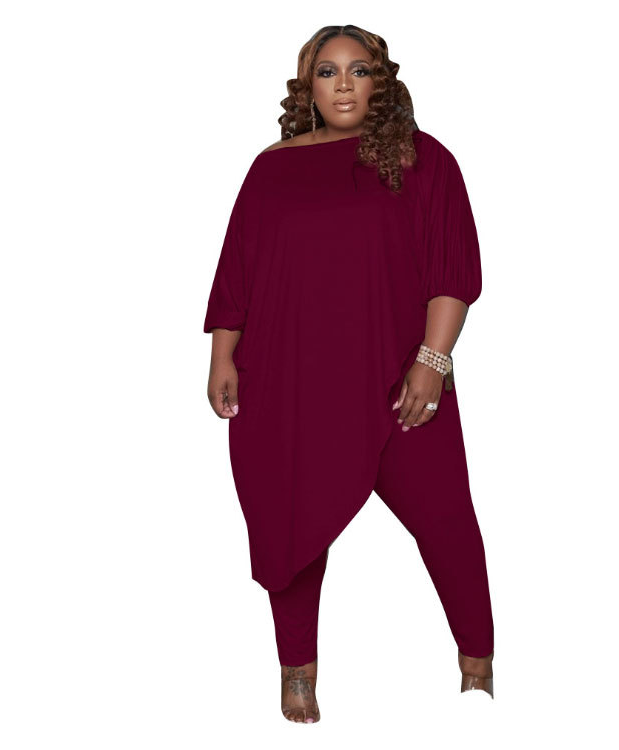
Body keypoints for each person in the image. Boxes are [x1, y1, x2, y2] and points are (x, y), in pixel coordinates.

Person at [204, 25, 495, 724]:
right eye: (327, 71)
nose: (342, 84)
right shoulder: (270, 169)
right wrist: (221, 356)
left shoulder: (423, 158)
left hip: (398, 383)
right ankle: (297, 674)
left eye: (358, 71)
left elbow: (451, 270)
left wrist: (432, 361)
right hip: (288, 387)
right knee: (289, 524)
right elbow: (238, 273)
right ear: (306, 86)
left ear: (380, 82)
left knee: (448, 522)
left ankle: (478, 667)